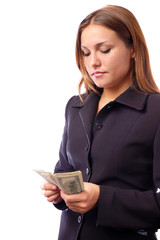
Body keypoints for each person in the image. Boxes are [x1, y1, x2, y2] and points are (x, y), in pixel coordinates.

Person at [42, 5, 160, 240]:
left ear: (133, 49)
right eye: (85, 53)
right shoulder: (75, 106)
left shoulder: (155, 110)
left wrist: (101, 198)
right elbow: (65, 170)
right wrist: (57, 192)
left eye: (104, 50)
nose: (93, 62)